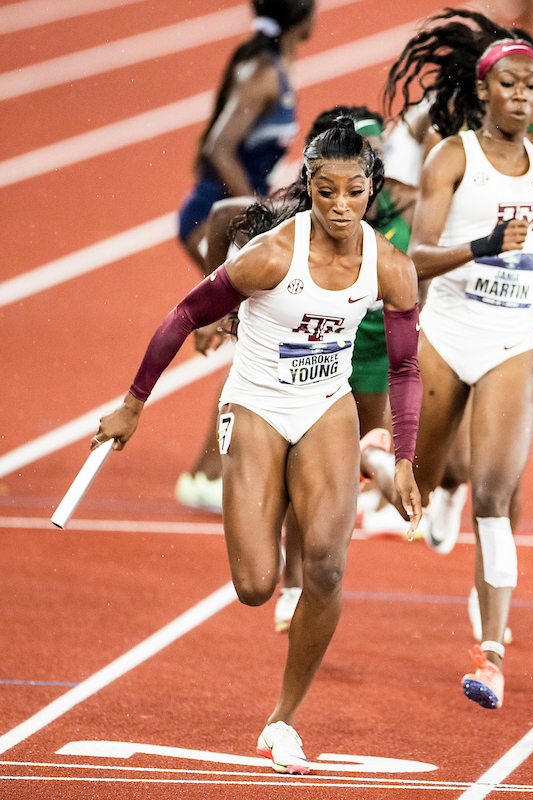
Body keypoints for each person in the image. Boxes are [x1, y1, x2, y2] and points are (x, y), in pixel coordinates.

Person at [92, 119, 423, 773]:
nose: (338, 205)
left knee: (327, 567)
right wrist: (133, 404)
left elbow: (408, 370)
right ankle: (294, 498)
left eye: (353, 192)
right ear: (309, 185)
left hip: (326, 407)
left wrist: (408, 456)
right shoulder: (271, 253)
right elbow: (185, 313)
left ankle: (282, 722)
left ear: (371, 192)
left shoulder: (390, 266)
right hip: (257, 405)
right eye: (325, 190)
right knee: (253, 585)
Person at [386, 8, 533, 710]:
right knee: (417, 480)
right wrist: (487, 245)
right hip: (446, 333)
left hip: (511, 341)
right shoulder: (451, 157)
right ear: (485, 89)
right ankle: (386, 475)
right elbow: (417, 261)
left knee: (495, 500)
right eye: (511, 82)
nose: (524, 94)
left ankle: (490, 654)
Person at [174, 0, 316, 512]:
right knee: (255, 338)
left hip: (227, 219)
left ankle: (210, 471)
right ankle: (208, 474)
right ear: (303, 18)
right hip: (215, 221)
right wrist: (254, 213)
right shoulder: (263, 72)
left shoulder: (269, 64)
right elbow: (217, 145)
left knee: (254, 336)